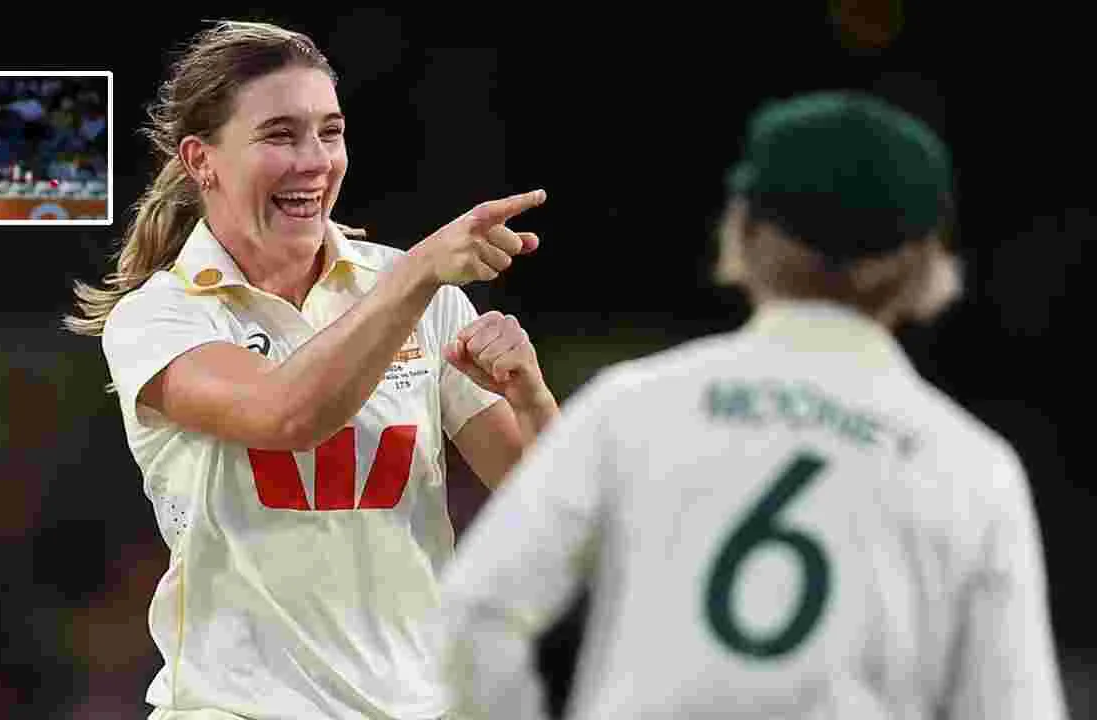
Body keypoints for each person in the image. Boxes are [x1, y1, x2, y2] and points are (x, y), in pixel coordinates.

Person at [434, 91, 1071, 720]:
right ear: (928, 263)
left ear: (741, 231)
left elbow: (474, 616)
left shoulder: (631, 408)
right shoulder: (971, 467)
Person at [63, 20, 560, 720]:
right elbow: (285, 415)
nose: (315, 161)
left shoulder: (415, 294)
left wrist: (530, 397)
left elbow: (550, 512)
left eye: (331, 132)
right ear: (202, 160)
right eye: (280, 135)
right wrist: (418, 272)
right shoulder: (160, 317)